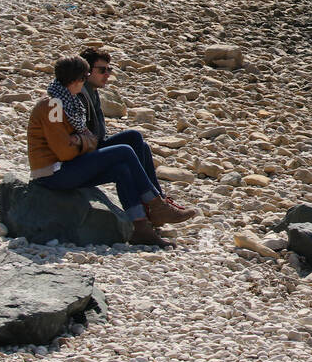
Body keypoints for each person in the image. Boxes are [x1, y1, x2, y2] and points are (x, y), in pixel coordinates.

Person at [26, 56, 194, 247]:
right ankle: (156, 204)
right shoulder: (53, 105)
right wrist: (84, 141)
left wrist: (80, 141)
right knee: (123, 151)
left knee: (122, 167)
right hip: (53, 173)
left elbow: (91, 138)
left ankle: (140, 227)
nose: (85, 81)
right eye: (84, 77)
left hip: (69, 165)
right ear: (76, 80)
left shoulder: (71, 101)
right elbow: (65, 152)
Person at [76, 47, 193, 222]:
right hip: (84, 156)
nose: (107, 74)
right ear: (86, 71)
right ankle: (155, 204)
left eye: (109, 69)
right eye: (102, 70)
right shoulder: (79, 95)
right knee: (132, 139)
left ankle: (157, 203)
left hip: (93, 147)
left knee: (141, 145)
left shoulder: (92, 92)